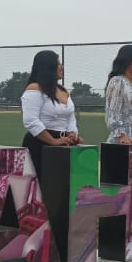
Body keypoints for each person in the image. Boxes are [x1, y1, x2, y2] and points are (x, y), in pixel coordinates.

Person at [21, 50, 80, 178]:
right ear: (47, 67)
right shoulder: (34, 88)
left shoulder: (63, 90)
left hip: (62, 144)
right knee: (40, 185)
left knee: (60, 183)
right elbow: (31, 121)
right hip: (39, 145)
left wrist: (72, 134)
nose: (62, 67)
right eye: (58, 64)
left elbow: (70, 117)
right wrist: (53, 141)